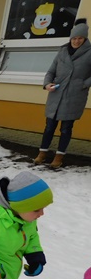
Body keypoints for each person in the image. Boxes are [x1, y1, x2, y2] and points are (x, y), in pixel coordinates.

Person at [34, 18, 91, 169]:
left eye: (80, 38)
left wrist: (83, 84)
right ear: (70, 38)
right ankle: (42, 153)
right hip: (56, 93)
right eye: (74, 38)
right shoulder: (62, 51)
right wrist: (47, 84)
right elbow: (51, 71)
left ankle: (59, 156)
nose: (76, 41)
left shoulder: (89, 53)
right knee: (49, 126)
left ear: (84, 39)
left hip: (74, 96)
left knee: (66, 128)